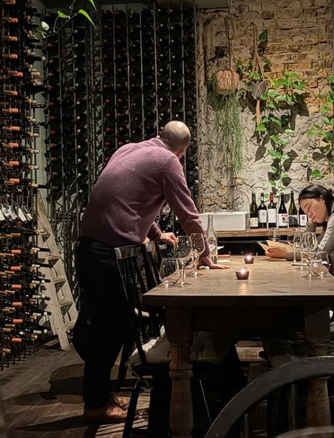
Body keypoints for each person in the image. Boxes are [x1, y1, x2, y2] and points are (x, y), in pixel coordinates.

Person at [74, 121, 228, 423]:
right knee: (112, 330)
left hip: (88, 248)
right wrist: (205, 254)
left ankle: (101, 396)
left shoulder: (128, 149)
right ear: (182, 152)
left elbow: (127, 203)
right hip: (110, 253)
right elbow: (189, 216)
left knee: (106, 327)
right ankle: (94, 406)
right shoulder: (168, 162)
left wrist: (156, 233)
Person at [265, 184, 334, 302]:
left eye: (309, 208)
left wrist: (285, 254)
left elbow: (318, 253)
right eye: (306, 212)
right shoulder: (331, 220)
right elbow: (310, 249)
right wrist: (312, 224)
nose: (309, 214)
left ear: (322, 199)